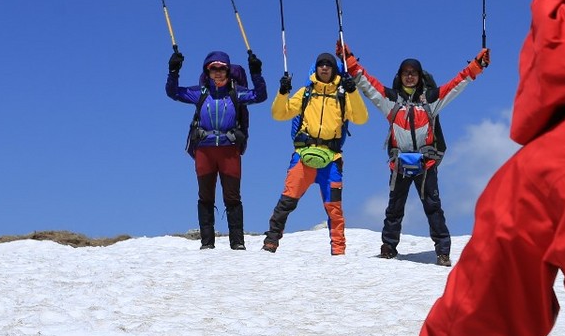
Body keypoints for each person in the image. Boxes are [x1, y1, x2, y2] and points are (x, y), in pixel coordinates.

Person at [415, 0, 565, 336]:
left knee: (432, 207)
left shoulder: (553, 164)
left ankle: (438, 249)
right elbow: (370, 88)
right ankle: (392, 247)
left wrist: (474, 69)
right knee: (401, 208)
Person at [336, 44, 490, 266]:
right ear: (399, 76)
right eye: (406, 73)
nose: (409, 77)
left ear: (420, 76)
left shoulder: (431, 99)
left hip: (426, 164)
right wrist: (348, 59)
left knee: (433, 207)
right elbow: (366, 82)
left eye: (413, 73)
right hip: (400, 164)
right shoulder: (390, 100)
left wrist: (478, 65)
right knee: (394, 208)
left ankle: (443, 252)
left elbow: (457, 83)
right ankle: (388, 249)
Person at [261, 51, 369, 255]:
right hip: (303, 156)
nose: (325, 67)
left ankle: (338, 251)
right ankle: (271, 241)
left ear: (334, 69)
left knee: (334, 208)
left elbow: (361, 118)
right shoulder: (306, 93)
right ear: (316, 68)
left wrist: (352, 91)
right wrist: (283, 92)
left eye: (329, 64)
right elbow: (279, 113)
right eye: (321, 64)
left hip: (332, 158)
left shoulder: (343, 95)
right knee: (287, 200)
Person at [166, 48, 267, 250]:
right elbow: (173, 92)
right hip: (204, 150)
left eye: (222, 69)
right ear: (208, 72)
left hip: (229, 149)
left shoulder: (236, 92)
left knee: (232, 197)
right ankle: (207, 243)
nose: (218, 73)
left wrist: (256, 73)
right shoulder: (200, 93)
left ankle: (237, 243)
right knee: (205, 196)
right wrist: (173, 71)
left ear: (228, 71)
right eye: (214, 69)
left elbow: (260, 95)